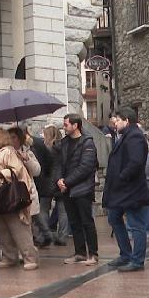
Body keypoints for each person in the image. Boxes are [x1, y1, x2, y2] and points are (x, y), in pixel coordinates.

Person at [103, 107, 149, 272]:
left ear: (126, 120)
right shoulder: (127, 136)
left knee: (136, 225)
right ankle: (125, 254)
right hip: (121, 191)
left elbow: (136, 162)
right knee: (114, 218)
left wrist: (121, 177)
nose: (114, 123)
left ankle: (137, 261)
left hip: (131, 190)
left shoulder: (135, 137)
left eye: (117, 120)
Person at [0, 127, 40, 270]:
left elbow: (17, 170)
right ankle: (8, 256)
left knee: (19, 229)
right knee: (2, 229)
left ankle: (30, 258)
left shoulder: (8, 152)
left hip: (9, 196)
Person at [58, 114, 99, 266]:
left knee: (87, 222)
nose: (64, 127)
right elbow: (59, 163)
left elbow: (85, 167)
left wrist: (66, 182)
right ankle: (80, 253)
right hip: (67, 189)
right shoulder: (64, 143)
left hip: (82, 188)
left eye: (66, 124)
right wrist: (59, 180)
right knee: (74, 222)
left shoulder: (87, 143)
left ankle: (93, 254)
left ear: (75, 126)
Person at [8, 126, 44, 248]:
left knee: (27, 226)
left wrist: (27, 160)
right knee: (13, 226)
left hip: (26, 194)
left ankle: (28, 254)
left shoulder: (28, 152)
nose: (11, 140)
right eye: (9, 137)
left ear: (19, 138)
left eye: (13, 137)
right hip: (11, 194)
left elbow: (37, 171)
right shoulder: (6, 153)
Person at [30, 127, 63, 247]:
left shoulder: (41, 146)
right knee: (45, 210)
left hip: (43, 184)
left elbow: (45, 166)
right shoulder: (56, 147)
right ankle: (50, 235)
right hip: (50, 183)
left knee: (40, 211)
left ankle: (44, 236)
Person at [40, 125, 70, 245]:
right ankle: (62, 237)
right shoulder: (64, 147)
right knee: (63, 211)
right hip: (61, 180)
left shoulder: (44, 148)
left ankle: (44, 236)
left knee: (43, 210)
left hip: (46, 182)